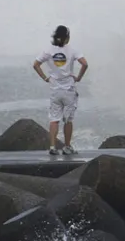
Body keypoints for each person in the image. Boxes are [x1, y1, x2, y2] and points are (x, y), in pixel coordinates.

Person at [32, 24, 87, 156]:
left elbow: (35, 65)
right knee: (68, 120)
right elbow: (85, 64)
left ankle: (52, 147)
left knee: (54, 119)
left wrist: (45, 78)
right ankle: (67, 147)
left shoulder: (48, 50)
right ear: (67, 37)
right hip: (69, 89)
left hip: (54, 89)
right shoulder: (73, 50)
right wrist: (78, 77)